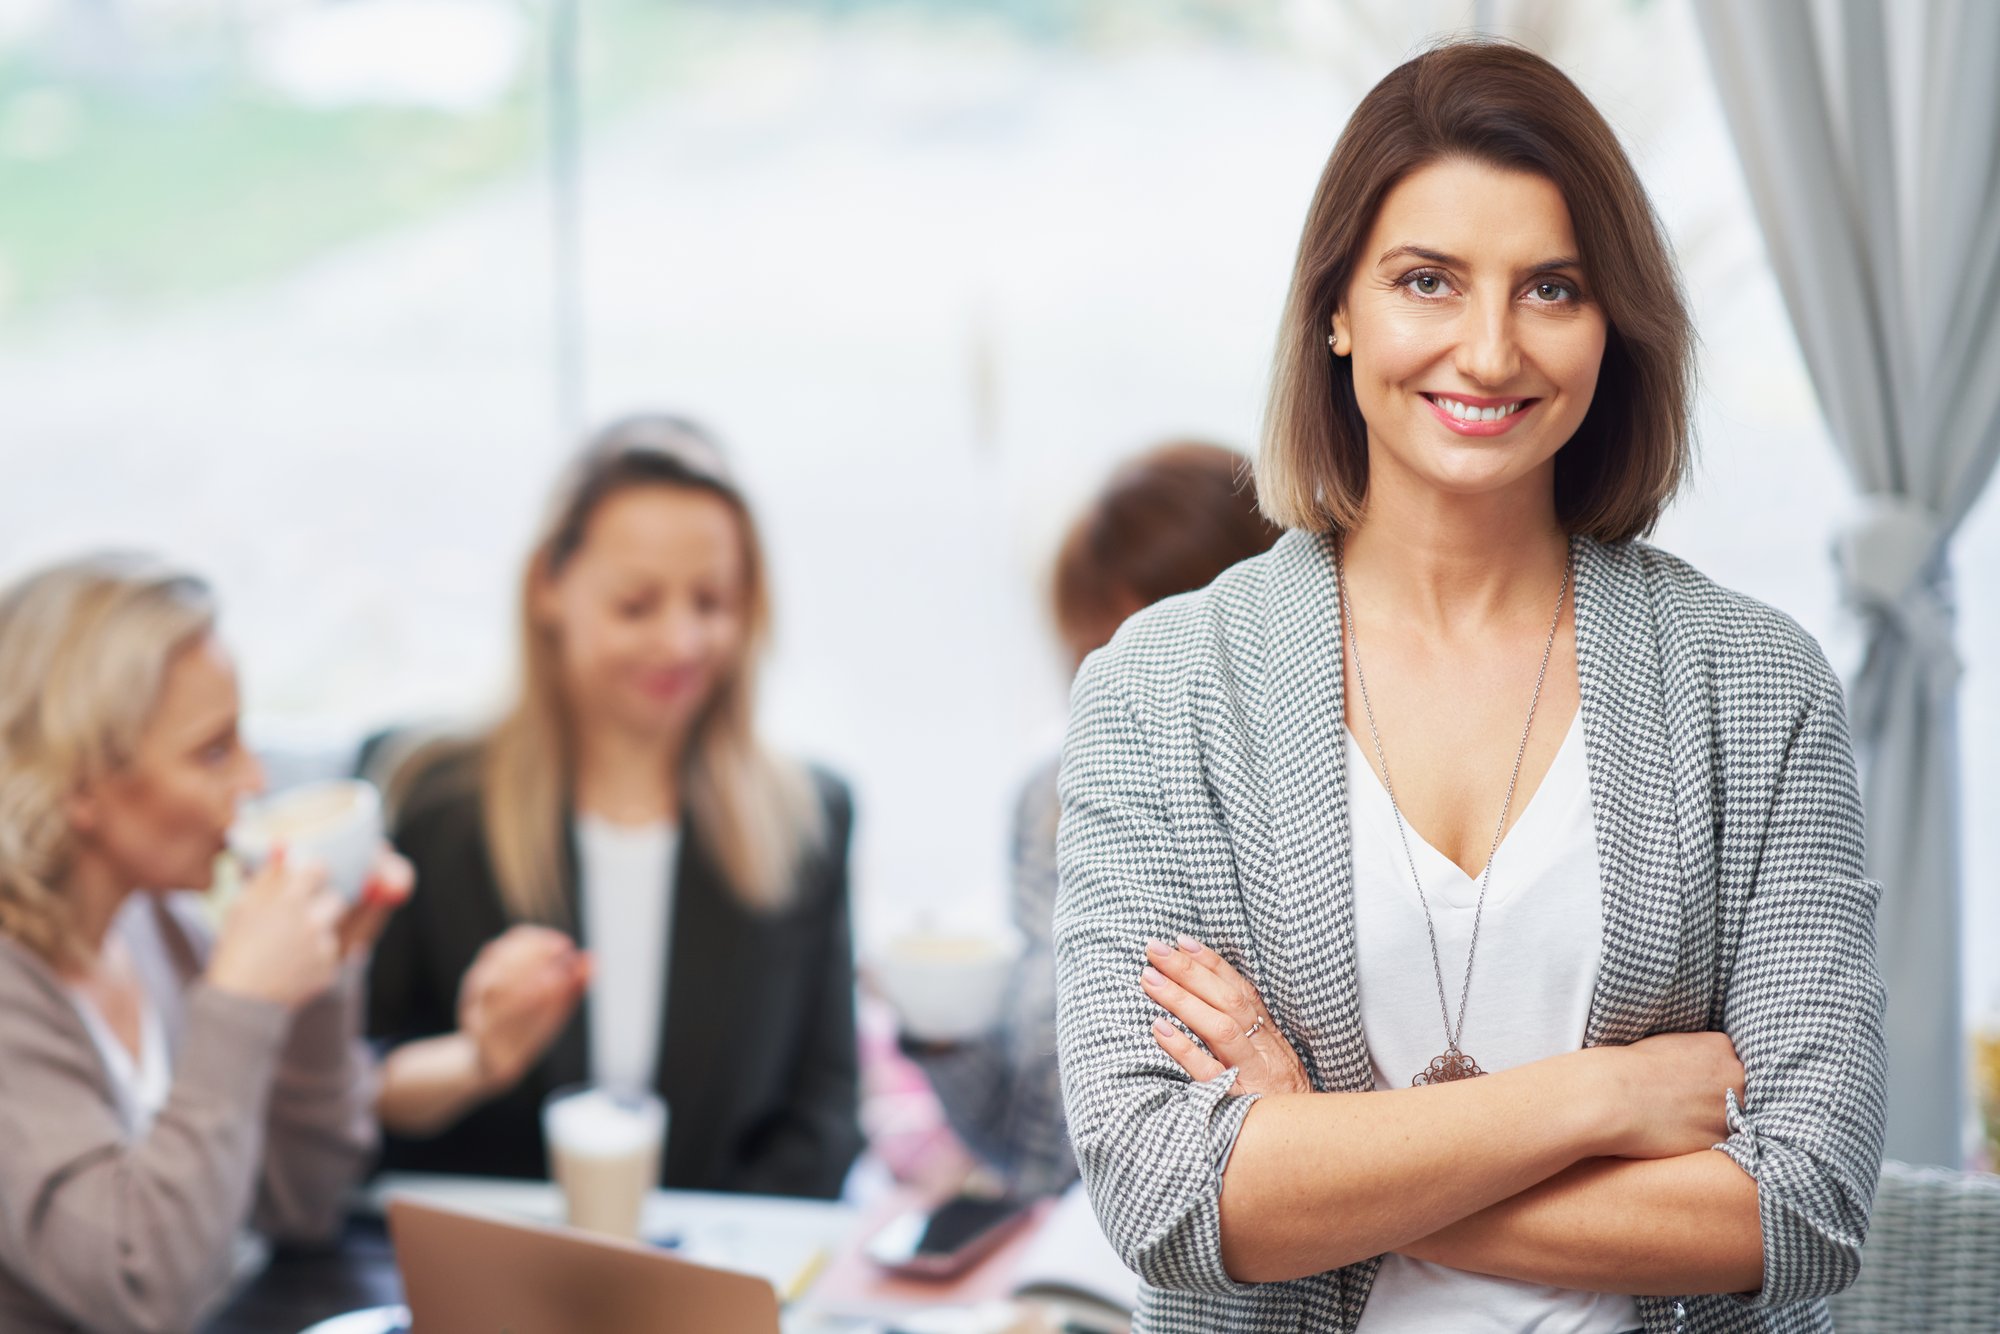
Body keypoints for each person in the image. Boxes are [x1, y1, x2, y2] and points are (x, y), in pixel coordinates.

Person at [1055, 39, 1885, 1334]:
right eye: (1428, 281)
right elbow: (1168, 1198)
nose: (1488, 350)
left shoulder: (1753, 684)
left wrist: (1312, 1148)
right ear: (1338, 308)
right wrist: (1597, 1102)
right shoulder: (1162, 692)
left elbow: (1810, 1205)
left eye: (1551, 289)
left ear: (1614, 326)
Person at [368, 414, 861, 1198]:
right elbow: (345, 1089)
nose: (680, 642)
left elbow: (825, 1119)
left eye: (713, 602)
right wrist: (475, 1059)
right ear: (547, 588)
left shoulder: (808, 818)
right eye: (636, 605)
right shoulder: (430, 798)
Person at [0, 555, 407, 1333]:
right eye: (213, 751)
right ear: (80, 783)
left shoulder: (157, 929)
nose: (253, 781)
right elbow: (140, 1290)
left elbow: (300, 1204)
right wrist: (241, 1003)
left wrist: (322, 980)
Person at [901, 441, 1279, 1197]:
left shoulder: (1308, 813)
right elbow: (1028, 1147)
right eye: (1090, 655)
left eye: (1149, 650)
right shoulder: (1050, 804)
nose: (1117, 690)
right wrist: (943, 1031)